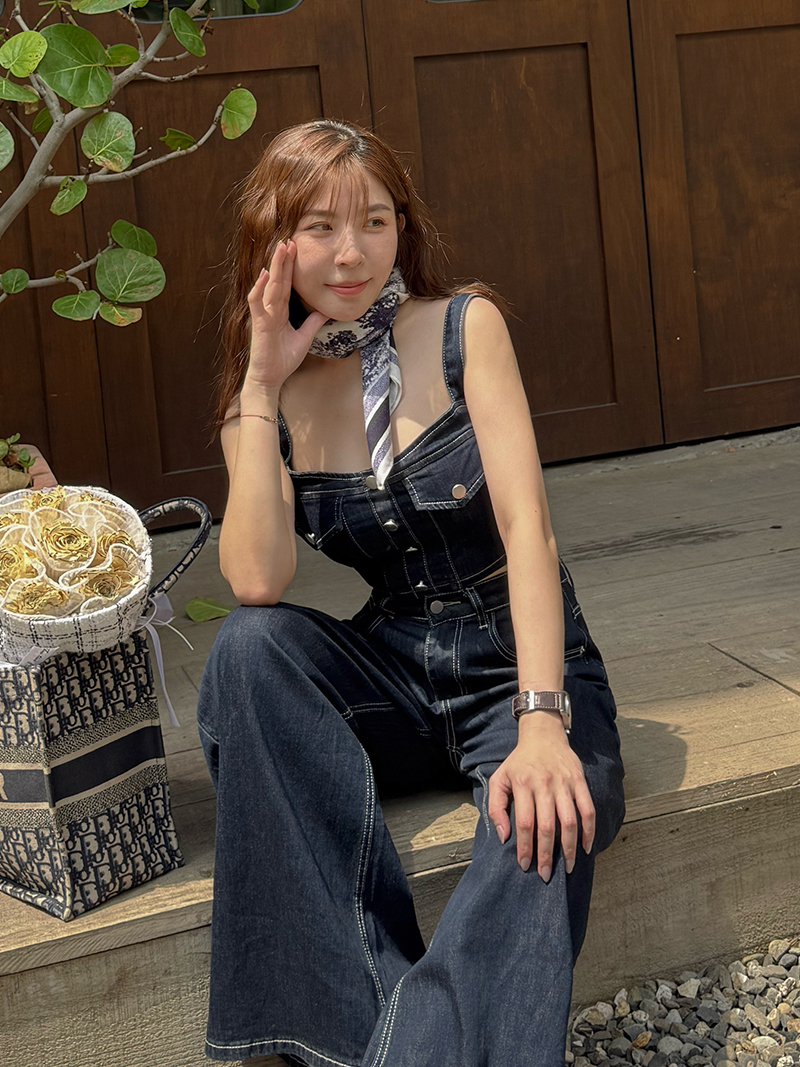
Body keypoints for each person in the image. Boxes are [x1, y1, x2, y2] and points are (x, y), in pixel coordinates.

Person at [197, 118, 625, 1067]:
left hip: (520, 666)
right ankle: (373, 1022)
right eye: (319, 227)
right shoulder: (264, 395)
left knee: (544, 819)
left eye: (375, 222)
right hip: (394, 667)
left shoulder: (465, 328)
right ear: (274, 238)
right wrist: (261, 389)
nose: (351, 253)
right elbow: (257, 580)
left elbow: (528, 532)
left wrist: (543, 722)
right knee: (247, 650)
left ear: (403, 227)